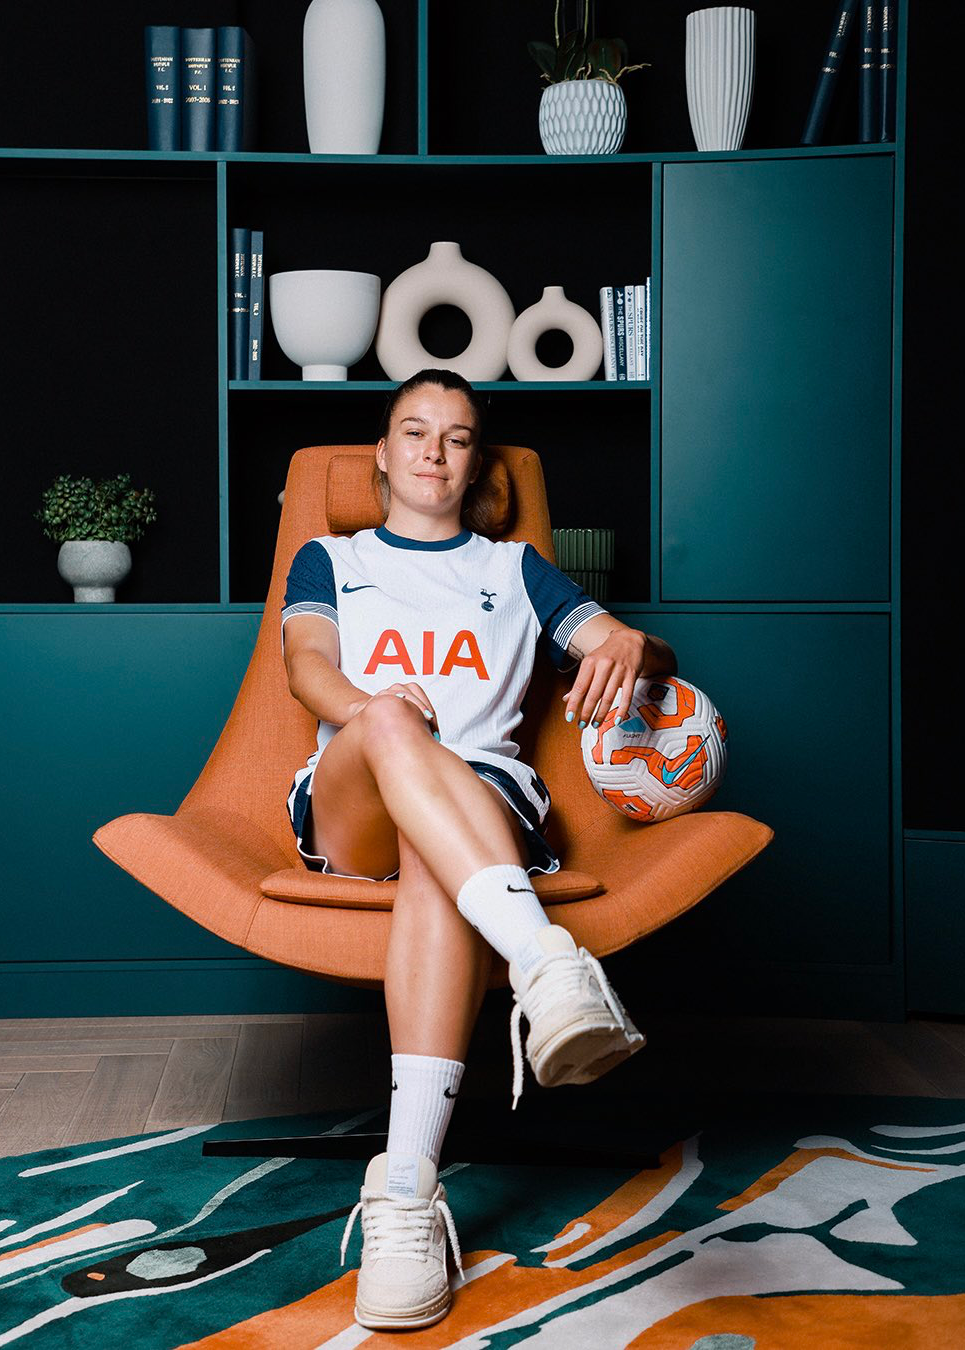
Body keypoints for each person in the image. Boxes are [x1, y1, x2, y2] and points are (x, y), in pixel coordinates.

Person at [280, 367, 679, 1331]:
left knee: (434, 854)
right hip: (353, 796)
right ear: (381, 453)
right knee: (383, 724)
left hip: (477, 806)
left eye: (457, 438)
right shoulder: (330, 557)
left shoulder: (514, 570)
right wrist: (377, 714)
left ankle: (407, 1191)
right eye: (414, 431)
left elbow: (631, 654)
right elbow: (307, 667)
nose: (434, 450)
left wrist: (631, 642)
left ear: (474, 465)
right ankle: (545, 959)